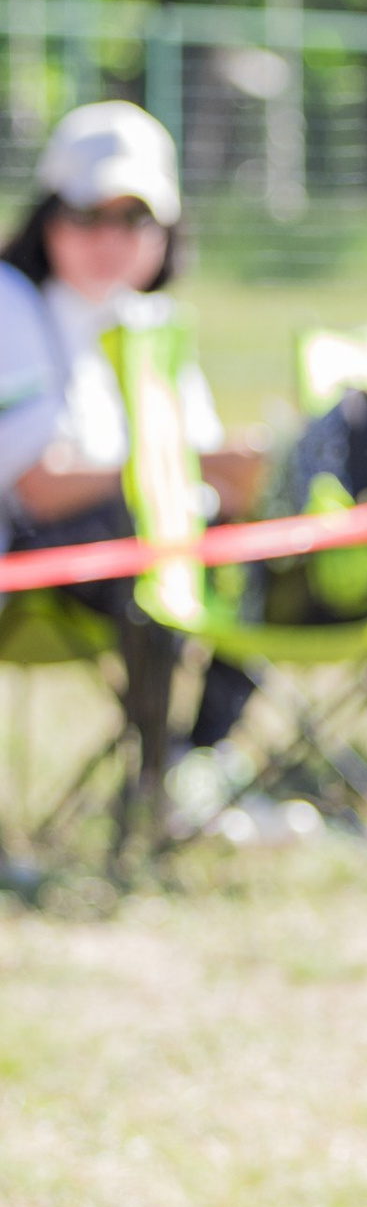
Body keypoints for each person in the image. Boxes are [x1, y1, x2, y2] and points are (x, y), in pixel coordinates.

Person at [0, 99, 264, 767]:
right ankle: (157, 780)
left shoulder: (153, 322)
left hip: (147, 552)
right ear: (49, 216)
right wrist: (182, 470)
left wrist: (240, 471)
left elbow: (205, 472)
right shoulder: (12, 301)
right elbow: (36, 485)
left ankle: (199, 760)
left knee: (275, 519)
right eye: (89, 215)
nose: (110, 239)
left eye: (136, 217)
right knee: (153, 519)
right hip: (36, 566)